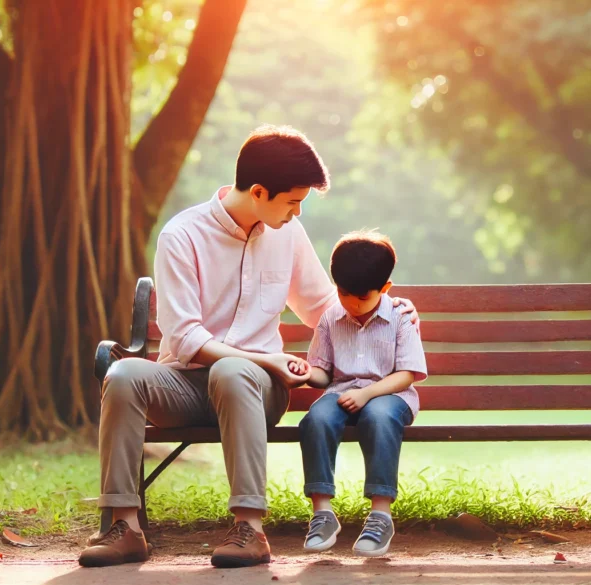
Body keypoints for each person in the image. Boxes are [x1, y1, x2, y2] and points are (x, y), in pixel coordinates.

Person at [78, 126, 417, 569]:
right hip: (184, 384)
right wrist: (265, 357)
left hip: (258, 391)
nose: (297, 214)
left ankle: (249, 529)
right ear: (259, 191)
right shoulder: (182, 235)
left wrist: (387, 311)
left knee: (233, 371)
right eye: (292, 202)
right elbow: (183, 338)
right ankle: (123, 526)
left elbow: (322, 307)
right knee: (122, 374)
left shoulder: (288, 236)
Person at [292, 230, 427, 557]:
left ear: (385, 288)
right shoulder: (330, 318)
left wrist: (367, 395)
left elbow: (408, 374)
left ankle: (381, 514)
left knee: (379, 418)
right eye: (343, 294)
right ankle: (322, 512)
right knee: (317, 419)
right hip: (341, 394)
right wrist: (306, 373)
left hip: (390, 397)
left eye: (362, 298)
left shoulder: (400, 317)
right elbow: (324, 373)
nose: (351, 304)